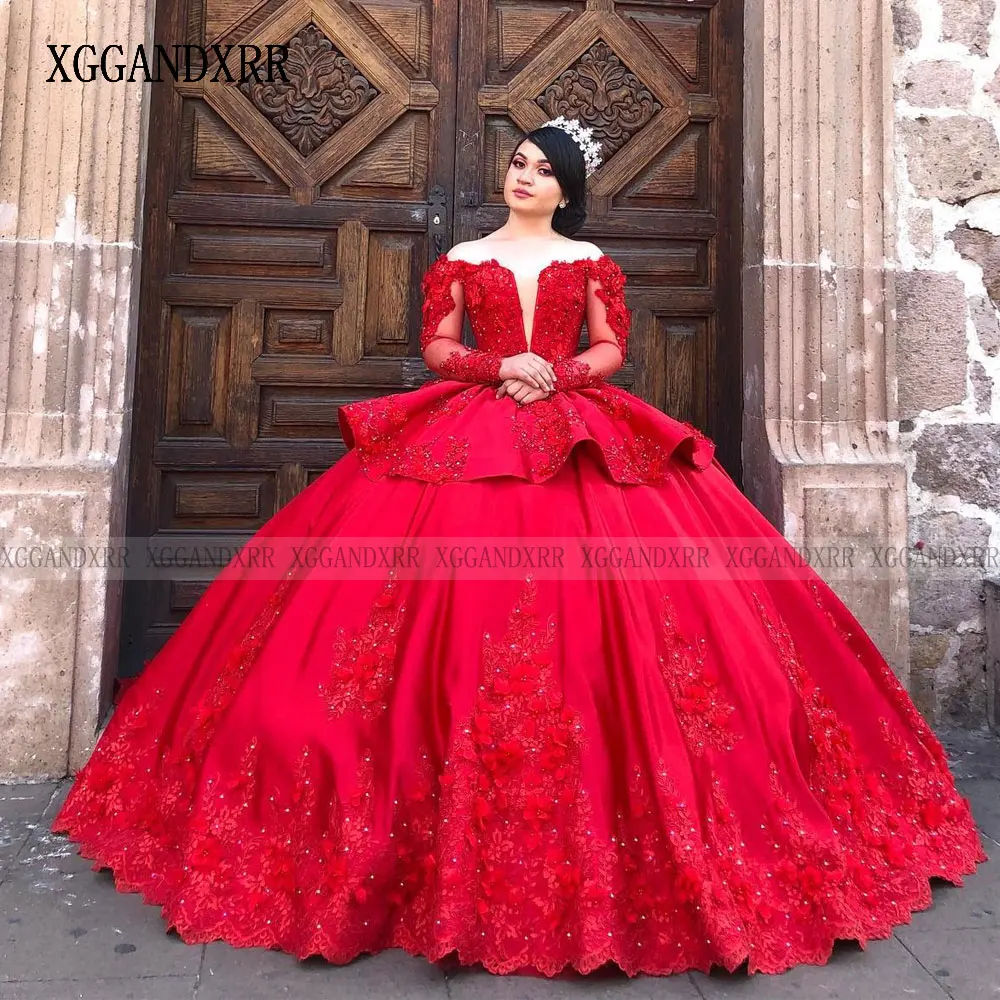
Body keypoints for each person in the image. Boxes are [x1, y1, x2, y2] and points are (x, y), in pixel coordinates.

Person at [52, 117, 986, 979]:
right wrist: (502, 365)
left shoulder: (590, 261)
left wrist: (560, 375)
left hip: (573, 420)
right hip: (475, 419)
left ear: (567, 188)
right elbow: (438, 345)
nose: (524, 176)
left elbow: (612, 349)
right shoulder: (464, 256)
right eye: (517, 163)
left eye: (542, 169)